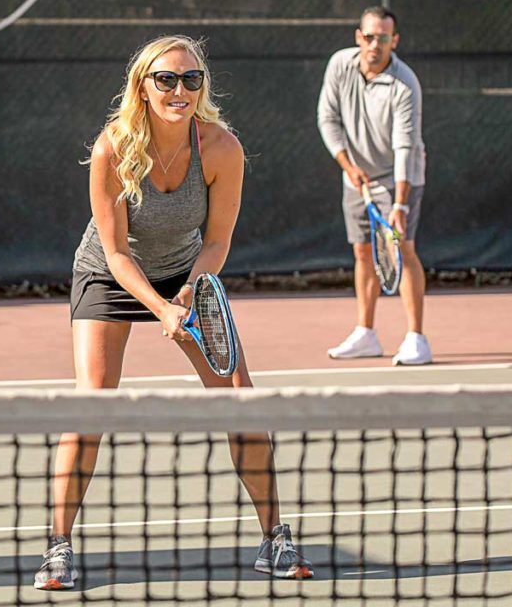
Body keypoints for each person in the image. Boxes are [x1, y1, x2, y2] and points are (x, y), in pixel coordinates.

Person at [33, 35, 313, 590]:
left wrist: (186, 293)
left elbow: (218, 240)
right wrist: (158, 307)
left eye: (192, 79)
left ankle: (274, 537)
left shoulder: (222, 149)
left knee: (239, 400)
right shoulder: (113, 148)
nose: (180, 89)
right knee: (91, 405)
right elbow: (115, 251)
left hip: (189, 272)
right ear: (143, 85)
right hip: (109, 274)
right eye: (167, 79)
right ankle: (58, 548)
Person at [317, 6, 431, 365]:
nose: (374, 44)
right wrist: (348, 166)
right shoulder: (339, 65)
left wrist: (400, 204)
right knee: (363, 253)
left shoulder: (405, 84)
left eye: (383, 38)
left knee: (404, 248)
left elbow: (405, 146)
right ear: (358, 37)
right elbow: (327, 118)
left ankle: (416, 338)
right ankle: (366, 333)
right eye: (369, 36)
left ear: (394, 41)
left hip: (399, 177)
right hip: (356, 175)